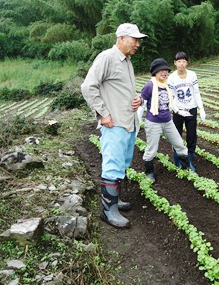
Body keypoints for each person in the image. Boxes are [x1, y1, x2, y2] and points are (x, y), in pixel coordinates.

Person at [81, 23, 148, 229]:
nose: (137, 44)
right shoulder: (107, 57)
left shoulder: (127, 61)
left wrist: (137, 99)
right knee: (112, 166)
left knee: (122, 163)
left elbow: (121, 89)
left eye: (138, 40)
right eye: (134, 40)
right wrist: (103, 113)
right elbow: (88, 86)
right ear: (121, 38)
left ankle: (115, 200)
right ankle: (108, 211)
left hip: (128, 122)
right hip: (114, 122)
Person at [139, 58, 190, 183]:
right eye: (161, 71)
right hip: (153, 123)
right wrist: (137, 120)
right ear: (155, 72)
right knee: (152, 149)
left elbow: (172, 102)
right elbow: (142, 103)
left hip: (168, 121)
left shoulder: (168, 84)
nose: (164, 73)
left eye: (166, 70)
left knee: (179, 144)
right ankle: (149, 172)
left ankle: (185, 167)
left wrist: (179, 111)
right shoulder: (149, 86)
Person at [167, 52, 206, 172]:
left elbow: (196, 92)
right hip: (178, 111)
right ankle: (178, 161)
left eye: (184, 61)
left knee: (191, 136)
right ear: (175, 63)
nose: (181, 64)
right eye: (179, 61)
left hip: (191, 109)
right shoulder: (171, 78)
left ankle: (189, 161)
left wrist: (201, 108)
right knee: (176, 136)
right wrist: (177, 110)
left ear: (187, 62)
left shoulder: (192, 75)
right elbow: (170, 98)